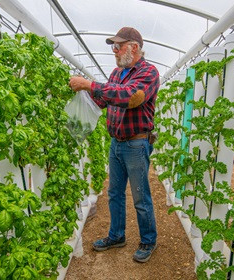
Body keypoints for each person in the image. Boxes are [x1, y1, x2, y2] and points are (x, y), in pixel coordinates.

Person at [69, 27, 159, 263]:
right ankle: (117, 235)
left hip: (137, 144)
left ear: (134, 47)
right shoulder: (116, 74)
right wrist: (80, 96)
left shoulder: (148, 72)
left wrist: (90, 85)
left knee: (140, 197)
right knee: (114, 193)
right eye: (113, 47)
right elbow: (103, 99)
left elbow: (129, 96)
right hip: (116, 143)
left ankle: (148, 240)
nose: (115, 51)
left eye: (118, 46)